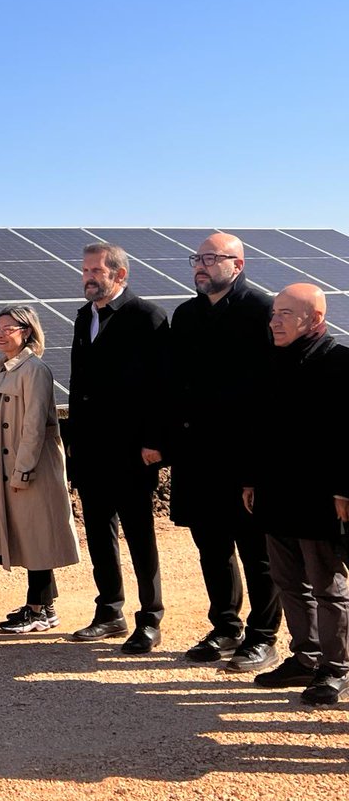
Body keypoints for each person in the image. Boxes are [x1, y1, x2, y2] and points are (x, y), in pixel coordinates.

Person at [169, 233, 281, 671]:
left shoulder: (261, 310)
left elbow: (270, 392)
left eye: (212, 258)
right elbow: (174, 384)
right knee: (211, 546)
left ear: (238, 263)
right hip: (197, 454)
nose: (201, 266)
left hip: (244, 454)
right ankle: (225, 626)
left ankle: (263, 636)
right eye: (197, 258)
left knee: (256, 550)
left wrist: (260, 464)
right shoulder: (186, 314)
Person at [244, 284, 349, 704]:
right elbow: (256, 427)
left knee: (327, 585)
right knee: (288, 580)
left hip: (320, 496)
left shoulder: (340, 363)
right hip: (275, 492)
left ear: (316, 320)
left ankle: (335, 667)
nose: (274, 321)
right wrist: (250, 479)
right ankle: (304, 656)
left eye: (286, 314)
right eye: (274, 313)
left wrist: (345, 487)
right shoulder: (269, 362)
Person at [65, 243, 169, 653]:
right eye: (85, 269)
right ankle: (109, 611)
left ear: (119, 275)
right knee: (98, 533)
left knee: (140, 534)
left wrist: (155, 441)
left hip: (132, 450)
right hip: (91, 449)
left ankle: (151, 617)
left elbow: (163, 385)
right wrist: (73, 442)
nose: (88, 276)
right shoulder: (82, 318)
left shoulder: (147, 316)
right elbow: (79, 383)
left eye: (96, 270)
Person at [0, 305, 80, 633]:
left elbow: (34, 425)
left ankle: (38, 610)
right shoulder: (3, 368)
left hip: (30, 469)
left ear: (27, 332)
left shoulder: (33, 370)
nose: (1, 333)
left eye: (9, 328)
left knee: (37, 540)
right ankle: (42, 606)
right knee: (28, 539)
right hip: (6, 467)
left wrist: (23, 470)